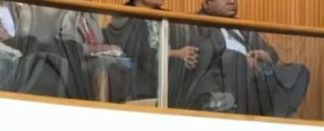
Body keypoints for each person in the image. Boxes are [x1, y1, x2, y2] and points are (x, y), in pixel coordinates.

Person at [181, 0, 310, 117]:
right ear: (207, 4)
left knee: (300, 71)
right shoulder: (197, 24)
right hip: (221, 79)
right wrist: (243, 60)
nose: (232, 1)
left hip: (254, 78)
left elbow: (272, 54)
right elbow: (203, 54)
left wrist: (264, 55)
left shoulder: (242, 26)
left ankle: (277, 115)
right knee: (236, 60)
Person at [104, 0, 205, 104]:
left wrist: (189, 56)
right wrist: (177, 53)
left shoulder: (168, 17)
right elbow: (137, 53)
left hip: (171, 93)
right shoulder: (123, 18)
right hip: (137, 95)